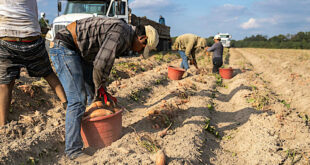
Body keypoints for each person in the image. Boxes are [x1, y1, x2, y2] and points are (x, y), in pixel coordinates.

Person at [49, 17, 158, 162]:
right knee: (77, 100)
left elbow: (102, 63)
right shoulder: (122, 33)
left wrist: (101, 89)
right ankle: (73, 150)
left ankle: (93, 136)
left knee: (93, 93)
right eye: (143, 48)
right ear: (141, 38)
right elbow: (101, 64)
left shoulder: (124, 34)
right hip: (65, 47)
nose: (140, 52)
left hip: (81, 53)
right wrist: (100, 86)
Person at [0, 0, 67, 126]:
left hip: (6, 39)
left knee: (5, 83)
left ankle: (2, 124)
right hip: (31, 38)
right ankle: (68, 106)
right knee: (48, 74)